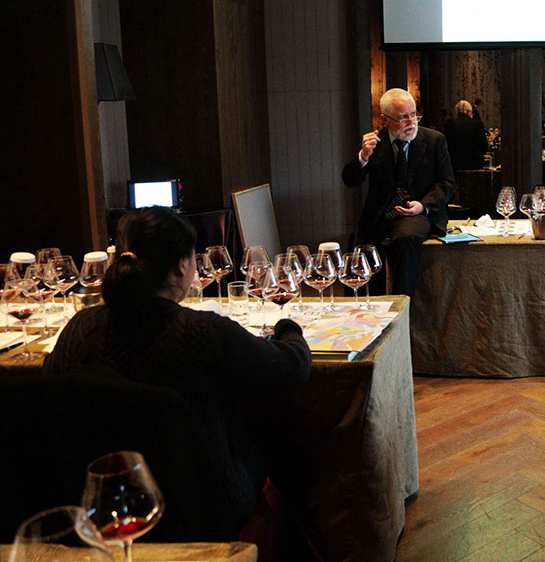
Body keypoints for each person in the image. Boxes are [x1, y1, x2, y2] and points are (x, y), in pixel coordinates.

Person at [44, 206, 312, 532]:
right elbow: (294, 367)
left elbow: (53, 387)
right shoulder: (202, 331)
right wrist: (288, 327)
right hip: (206, 509)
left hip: (104, 504)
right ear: (182, 267)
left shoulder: (80, 328)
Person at [342, 88, 455, 297]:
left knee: (406, 237)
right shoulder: (375, 143)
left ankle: (402, 302)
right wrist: (363, 157)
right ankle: (367, 308)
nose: (411, 122)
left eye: (414, 114)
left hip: (417, 212)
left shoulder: (434, 140)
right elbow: (350, 180)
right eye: (403, 118)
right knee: (361, 248)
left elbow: (447, 183)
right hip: (381, 213)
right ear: (385, 119)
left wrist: (423, 205)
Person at [442, 99, 488, 171]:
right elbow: (485, 147)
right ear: (468, 111)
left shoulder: (449, 124)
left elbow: (445, 145)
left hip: (455, 164)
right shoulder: (478, 124)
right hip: (475, 164)